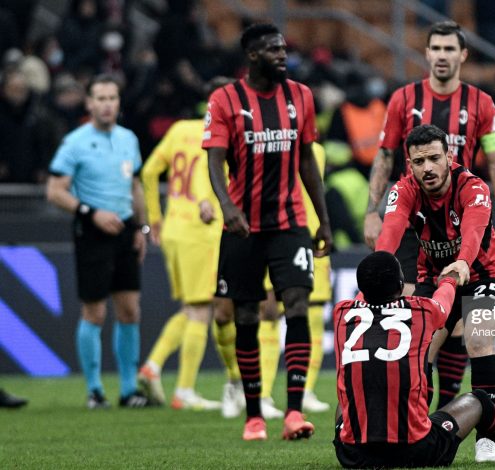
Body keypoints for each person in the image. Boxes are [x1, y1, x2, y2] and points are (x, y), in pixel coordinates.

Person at [364, 20, 495, 426]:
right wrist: (371, 215)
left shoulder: (481, 105)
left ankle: (485, 431)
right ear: (427, 53)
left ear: (463, 55)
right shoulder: (402, 101)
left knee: (477, 335)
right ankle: (421, 422)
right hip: (424, 236)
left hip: (478, 255)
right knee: (419, 342)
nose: (443, 55)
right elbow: (383, 161)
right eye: (436, 48)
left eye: (451, 48)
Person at [203, 23, 333, 441]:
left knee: (297, 304)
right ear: (253, 55)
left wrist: (323, 220)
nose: (282, 54)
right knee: (245, 314)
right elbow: (215, 161)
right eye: (273, 49)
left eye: (283, 48)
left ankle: (294, 412)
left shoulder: (301, 96)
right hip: (243, 228)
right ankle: (254, 414)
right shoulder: (226, 99)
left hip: (290, 222)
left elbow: (308, 163)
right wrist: (227, 207)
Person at [333, 251, 495, 468]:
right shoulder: (420, 311)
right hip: (414, 451)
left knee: (349, 397)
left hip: (351, 454)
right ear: (400, 286)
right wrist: (449, 279)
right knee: (480, 400)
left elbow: (367, 301)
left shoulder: (341, 313)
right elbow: (443, 304)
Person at [376, 124, 495, 462]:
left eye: (435, 158)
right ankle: (417, 428)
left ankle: (487, 437)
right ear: (409, 164)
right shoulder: (404, 190)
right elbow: (390, 233)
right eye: (419, 162)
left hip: (483, 272)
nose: (428, 168)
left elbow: (473, 230)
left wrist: (463, 262)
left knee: (478, 339)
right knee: (420, 351)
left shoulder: (473, 186)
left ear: (449, 157)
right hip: (434, 276)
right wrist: (377, 273)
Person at [136, 76, 246, 414]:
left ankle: (157, 369)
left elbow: (150, 171)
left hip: (173, 228)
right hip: (202, 230)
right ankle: (182, 388)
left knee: (192, 307)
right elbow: (206, 176)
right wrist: (204, 202)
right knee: (203, 309)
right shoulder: (221, 133)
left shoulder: (180, 128)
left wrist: (154, 216)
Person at [46, 73, 152, 408]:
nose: (106, 105)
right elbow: (55, 192)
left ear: (118, 103)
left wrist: (142, 228)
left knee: (129, 310)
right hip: (92, 232)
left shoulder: (128, 139)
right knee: (94, 312)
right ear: (89, 103)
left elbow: (135, 185)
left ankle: (128, 389)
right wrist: (92, 213)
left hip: (124, 230)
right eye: (100, 99)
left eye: (112, 98)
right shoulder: (75, 142)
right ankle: (94, 389)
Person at [258, 142, 333, 418]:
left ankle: (305, 391)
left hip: (308, 236)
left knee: (312, 314)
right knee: (267, 312)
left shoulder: (318, 150)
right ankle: (262, 394)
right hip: (272, 234)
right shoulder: (267, 142)